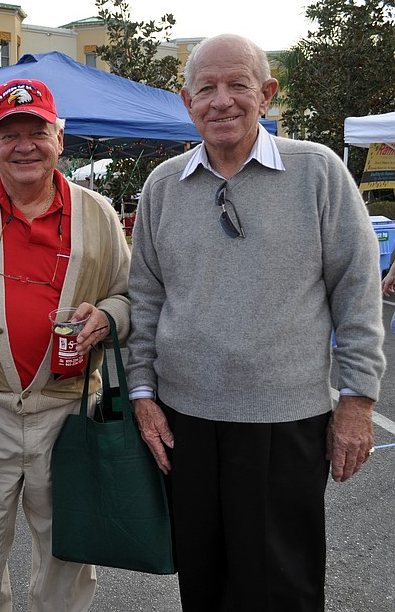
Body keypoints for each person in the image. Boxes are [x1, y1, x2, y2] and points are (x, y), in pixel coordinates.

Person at [126, 33, 386, 612]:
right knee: (204, 582)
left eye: (238, 85)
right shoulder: (164, 186)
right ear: (186, 100)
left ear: (266, 95)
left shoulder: (316, 171)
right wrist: (142, 393)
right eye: (206, 88)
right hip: (183, 420)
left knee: (280, 587)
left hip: (285, 419)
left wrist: (358, 400)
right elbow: (144, 297)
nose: (222, 101)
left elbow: (358, 290)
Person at [0, 78, 131, 612]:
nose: (23, 145)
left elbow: (133, 297)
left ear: (61, 137)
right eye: (8, 134)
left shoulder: (99, 213)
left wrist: (107, 316)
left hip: (69, 410)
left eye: (36, 130)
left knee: (69, 550)